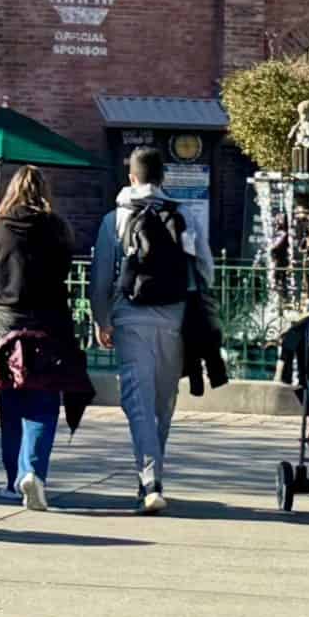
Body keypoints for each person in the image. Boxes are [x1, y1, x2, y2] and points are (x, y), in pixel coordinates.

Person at [89, 146, 212, 513]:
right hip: (174, 319)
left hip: (130, 318)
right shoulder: (183, 215)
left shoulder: (114, 220)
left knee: (138, 402)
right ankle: (152, 475)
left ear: (132, 178)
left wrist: (101, 319)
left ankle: (150, 480)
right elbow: (204, 269)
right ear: (163, 178)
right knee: (164, 403)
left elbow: (100, 279)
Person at [0, 165, 90, 508]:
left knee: (10, 406)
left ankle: (13, 480)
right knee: (43, 404)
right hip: (49, 327)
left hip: (5, 327)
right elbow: (64, 269)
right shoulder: (58, 228)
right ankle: (33, 472)